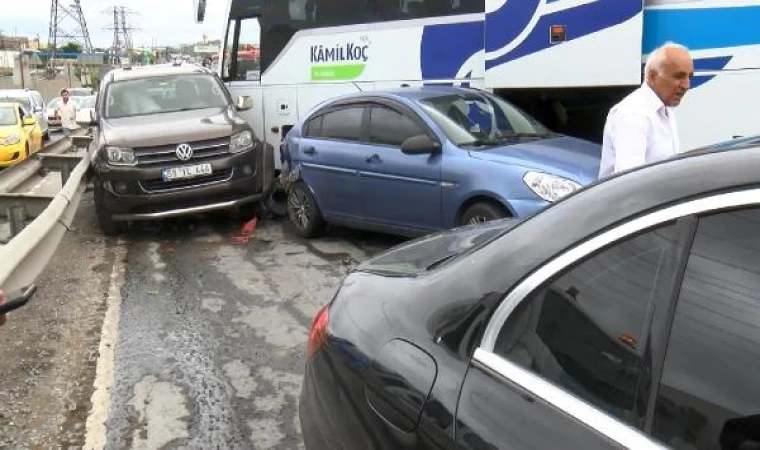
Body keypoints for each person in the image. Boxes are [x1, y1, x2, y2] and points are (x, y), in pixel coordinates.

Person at [598, 42, 694, 178]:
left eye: (689, 77)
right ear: (653, 76)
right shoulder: (633, 114)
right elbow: (629, 182)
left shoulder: (664, 109)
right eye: (678, 76)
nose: (686, 85)